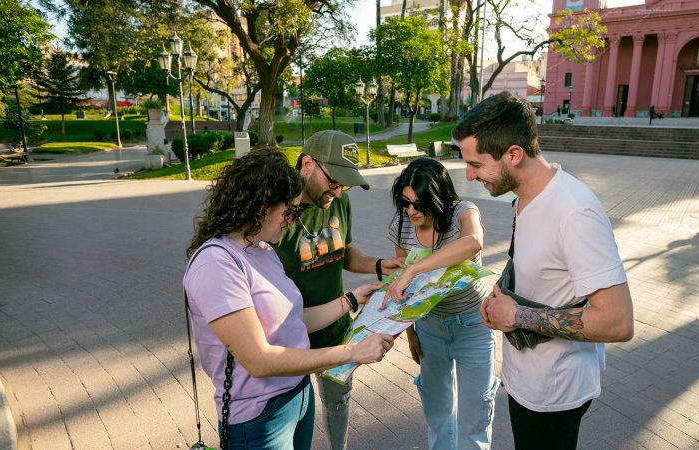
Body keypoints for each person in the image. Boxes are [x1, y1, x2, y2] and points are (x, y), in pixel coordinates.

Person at [451, 91, 634, 450]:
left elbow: (618, 322)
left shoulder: (574, 211)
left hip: (555, 392)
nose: (470, 176)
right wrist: (503, 298)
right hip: (528, 380)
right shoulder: (526, 197)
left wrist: (516, 314)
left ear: (514, 154)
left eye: (475, 163)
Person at [183, 152, 394, 449]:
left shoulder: (262, 250)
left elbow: (291, 320)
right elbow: (259, 360)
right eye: (291, 212)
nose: (294, 221)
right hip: (260, 415)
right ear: (261, 205)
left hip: (296, 392)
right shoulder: (217, 264)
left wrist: (351, 299)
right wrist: (351, 352)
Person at [274, 130, 405, 450]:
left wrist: (378, 264)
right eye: (334, 181)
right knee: (290, 417)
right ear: (306, 165)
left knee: (338, 403)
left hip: (337, 333)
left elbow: (340, 251)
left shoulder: (339, 202)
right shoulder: (275, 214)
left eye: (345, 183)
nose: (339, 190)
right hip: (291, 341)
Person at [382, 157, 498, 450]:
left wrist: (413, 269)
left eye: (418, 204)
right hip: (429, 328)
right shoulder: (403, 224)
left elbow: (474, 241)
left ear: (438, 197)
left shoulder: (463, 212)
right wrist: (411, 333)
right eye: (405, 202)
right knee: (438, 413)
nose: (411, 211)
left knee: (475, 416)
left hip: (472, 324)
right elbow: (406, 292)